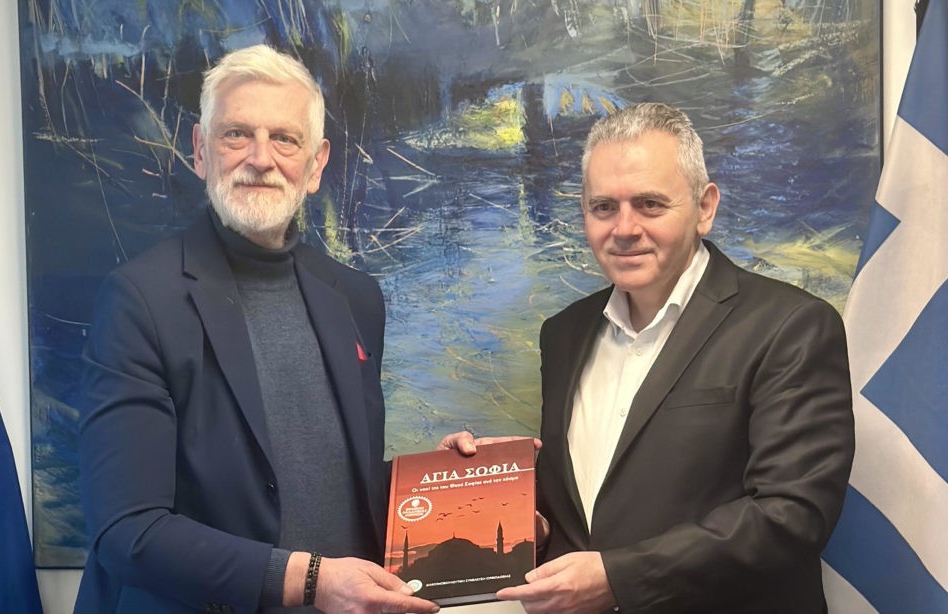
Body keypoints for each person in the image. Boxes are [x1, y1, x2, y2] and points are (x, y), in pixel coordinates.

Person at [446, 102, 854, 614]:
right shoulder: (564, 334)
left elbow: (793, 515)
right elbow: (587, 510)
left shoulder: (790, 326)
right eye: (603, 207)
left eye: (650, 204)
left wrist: (618, 579)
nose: (624, 228)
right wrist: (505, 499)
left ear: (704, 208)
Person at [74, 44, 438, 614]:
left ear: (315, 165)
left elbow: (332, 484)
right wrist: (312, 580)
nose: (260, 158)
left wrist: (445, 481)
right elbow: (129, 531)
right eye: (237, 134)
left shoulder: (356, 298)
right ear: (201, 150)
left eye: (284, 138)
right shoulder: (139, 301)